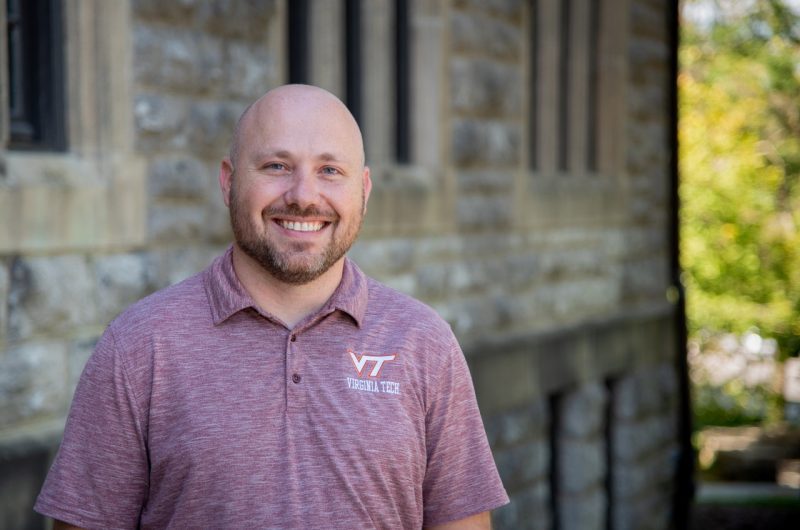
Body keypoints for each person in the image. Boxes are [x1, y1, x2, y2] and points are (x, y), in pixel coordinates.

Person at [35, 84, 508, 529]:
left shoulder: (423, 342)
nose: (303, 195)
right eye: (277, 166)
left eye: (329, 170)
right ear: (228, 181)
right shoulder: (139, 345)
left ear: (363, 190)